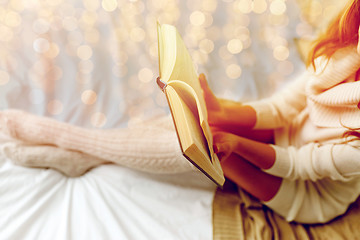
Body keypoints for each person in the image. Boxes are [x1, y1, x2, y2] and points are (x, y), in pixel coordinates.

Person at [199, 0, 360, 224]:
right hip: (290, 134)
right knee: (207, 128)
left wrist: (236, 143)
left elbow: (299, 165)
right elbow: (282, 107)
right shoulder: (347, 54)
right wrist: (222, 113)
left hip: (309, 194)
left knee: (214, 154)